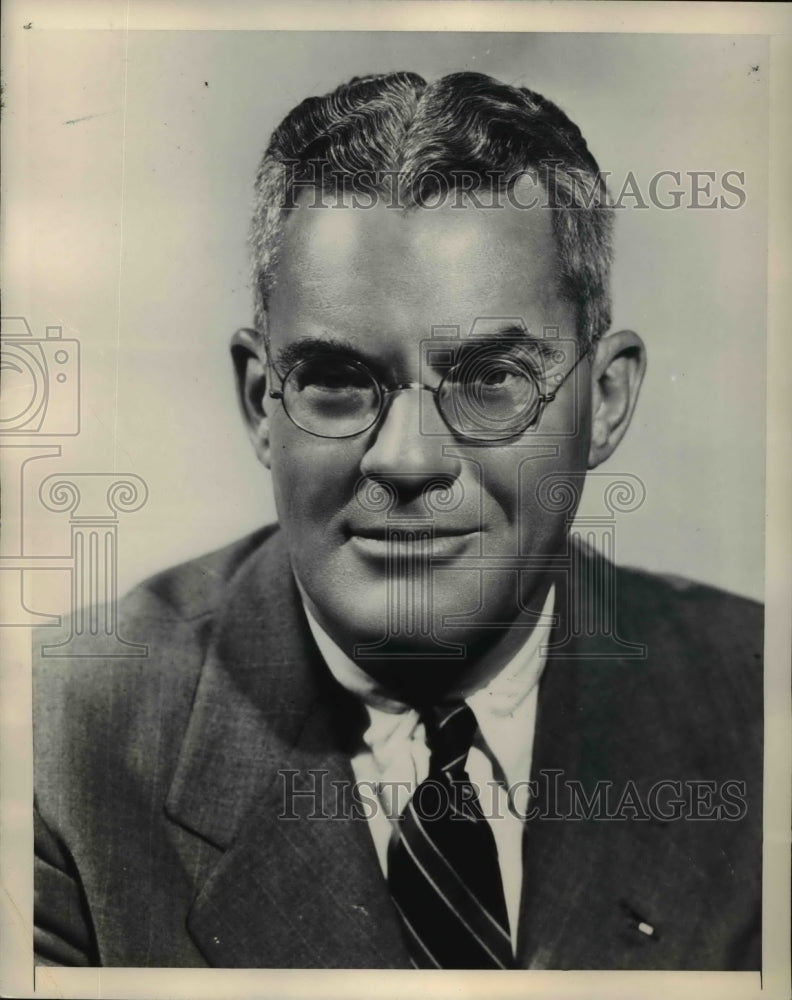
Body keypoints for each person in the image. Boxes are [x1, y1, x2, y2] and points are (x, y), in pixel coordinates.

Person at [33, 70, 762, 971]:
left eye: (492, 380)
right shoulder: (58, 745)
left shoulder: (762, 712)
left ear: (606, 400)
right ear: (263, 402)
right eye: (337, 382)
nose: (408, 460)